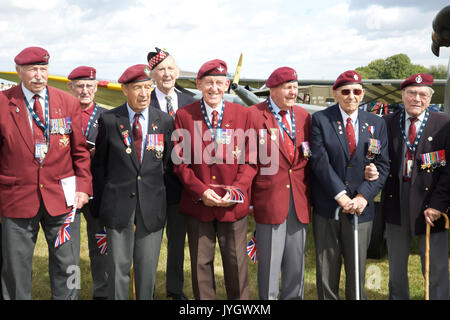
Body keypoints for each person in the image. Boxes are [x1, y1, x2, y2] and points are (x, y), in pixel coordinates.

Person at [0, 46, 92, 300]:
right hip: (16, 198)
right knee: (15, 269)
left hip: (63, 200)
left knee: (69, 264)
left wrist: (83, 187)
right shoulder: (2, 103)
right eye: (32, 70)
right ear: (19, 71)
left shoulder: (68, 102)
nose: (39, 75)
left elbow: (80, 152)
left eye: (43, 69)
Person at [172, 59, 257, 300]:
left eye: (219, 83)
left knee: (236, 265)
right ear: (199, 84)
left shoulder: (243, 114)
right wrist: (201, 191)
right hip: (199, 204)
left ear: (227, 85)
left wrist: (236, 191)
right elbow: (180, 163)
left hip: (233, 204)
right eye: (208, 83)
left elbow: (250, 161)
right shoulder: (184, 115)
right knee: (200, 266)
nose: (214, 88)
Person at [91, 64, 173, 300]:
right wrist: (100, 205)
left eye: (148, 87)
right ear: (124, 89)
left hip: (151, 208)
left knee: (147, 271)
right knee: (118, 269)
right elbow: (100, 166)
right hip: (118, 207)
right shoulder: (109, 120)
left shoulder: (165, 121)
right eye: (138, 88)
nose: (144, 93)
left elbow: (167, 165)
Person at [309, 70, 390, 300]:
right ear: (335, 94)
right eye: (345, 91)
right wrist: (341, 195)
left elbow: (382, 165)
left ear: (363, 94)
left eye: (356, 91)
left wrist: (363, 196)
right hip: (329, 206)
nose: (351, 96)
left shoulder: (376, 123)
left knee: (357, 266)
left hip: (361, 208)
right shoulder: (321, 120)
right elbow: (320, 161)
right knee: (327, 266)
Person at [381, 73, 450, 300]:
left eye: (422, 94)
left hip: (430, 203)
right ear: (402, 95)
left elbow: (449, 171)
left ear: (430, 98)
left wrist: (439, 205)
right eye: (411, 93)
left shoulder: (444, 124)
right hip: (396, 198)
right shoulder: (387, 123)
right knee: (396, 266)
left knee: (435, 264)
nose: (416, 99)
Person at [248, 67, 311, 300]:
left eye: (295, 87)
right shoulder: (253, 115)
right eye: (287, 87)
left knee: (296, 263)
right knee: (270, 265)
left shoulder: (304, 116)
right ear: (272, 90)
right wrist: (250, 202)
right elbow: (247, 162)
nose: (293, 92)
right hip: (269, 200)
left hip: (299, 200)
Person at [147, 47, 196, 300]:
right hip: (151, 186)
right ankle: (145, 288)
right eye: (160, 70)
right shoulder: (145, 99)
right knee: (148, 244)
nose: (166, 74)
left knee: (177, 243)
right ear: (152, 75)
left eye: (170, 68)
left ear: (178, 71)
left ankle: (175, 291)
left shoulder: (190, 100)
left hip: (181, 186)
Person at [67, 66, 109, 299]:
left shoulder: (108, 117)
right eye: (80, 86)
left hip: (98, 192)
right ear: (70, 87)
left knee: (101, 247)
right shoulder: (60, 115)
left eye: (89, 86)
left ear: (95, 87)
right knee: (69, 250)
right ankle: (70, 292)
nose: (85, 90)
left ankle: (101, 293)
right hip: (68, 192)